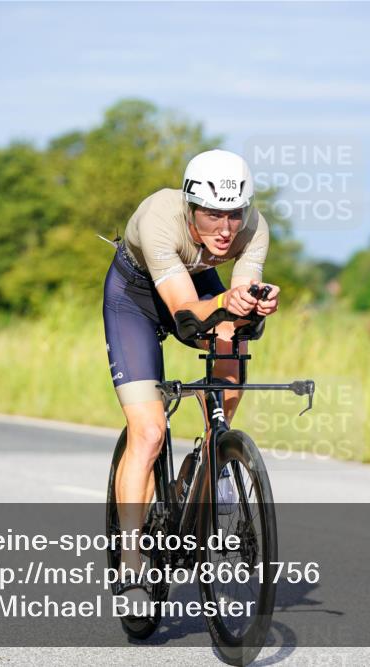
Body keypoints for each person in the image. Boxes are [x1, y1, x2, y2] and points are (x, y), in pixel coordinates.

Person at [102, 149, 279, 606]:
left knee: (233, 339)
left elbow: (237, 298)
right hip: (135, 299)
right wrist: (226, 305)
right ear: (190, 206)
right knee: (149, 431)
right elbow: (184, 312)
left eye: (234, 215)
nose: (226, 229)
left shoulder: (255, 228)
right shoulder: (160, 218)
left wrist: (255, 305)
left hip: (197, 285)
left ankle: (214, 455)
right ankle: (131, 557)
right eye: (213, 215)